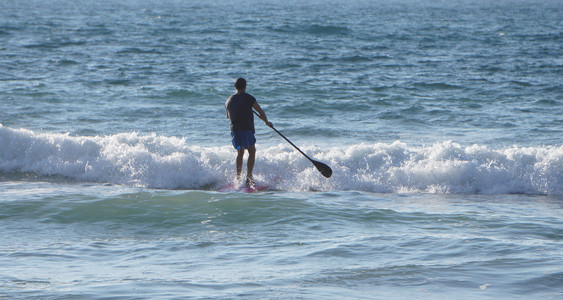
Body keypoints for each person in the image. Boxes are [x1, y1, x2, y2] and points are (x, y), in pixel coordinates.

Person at [225, 78, 272, 186]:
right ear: (245, 86)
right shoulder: (249, 98)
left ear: (235, 87)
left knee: (240, 152)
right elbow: (260, 111)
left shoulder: (228, 100)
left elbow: (228, 116)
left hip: (234, 131)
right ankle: (249, 177)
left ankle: (238, 178)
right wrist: (267, 122)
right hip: (245, 129)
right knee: (252, 151)